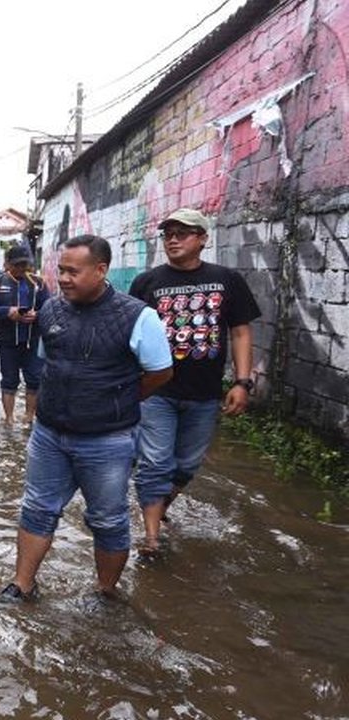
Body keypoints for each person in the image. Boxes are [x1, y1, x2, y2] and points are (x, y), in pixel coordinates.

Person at [0, 235, 172, 602]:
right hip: (49, 434)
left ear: (101, 270)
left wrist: (118, 400)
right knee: (37, 508)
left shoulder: (139, 317)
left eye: (73, 271)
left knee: (108, 520)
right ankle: (22, 585)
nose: (64, 279)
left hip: (108, 441)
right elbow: (48, 362)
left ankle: (105, 592)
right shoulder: (51, 311)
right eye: (61, 271)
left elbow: (161, 372)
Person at [129, 208, 261, 555]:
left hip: (204, 394)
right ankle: (152, 537)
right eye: (168, 233)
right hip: (156, 390)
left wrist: (242, 382)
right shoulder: (147, 283)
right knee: (156, 461)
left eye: (182, 233)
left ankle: (158, 510)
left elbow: (241, 332)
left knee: (186, 465)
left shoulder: (226, 280)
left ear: (203, 238)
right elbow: (130, 335)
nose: (172, 239)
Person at [0, 245, 50, 424]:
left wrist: (37, 315)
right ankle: (9, 418)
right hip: (7, 340)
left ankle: (29, 417)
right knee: (9, 379)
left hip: (33, 339)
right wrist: (8, 311)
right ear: (7, 264)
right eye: (17, 265)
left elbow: (50, 306)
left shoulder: (39, 283)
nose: (21, 268)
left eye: (24, 264)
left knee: (34, 378)